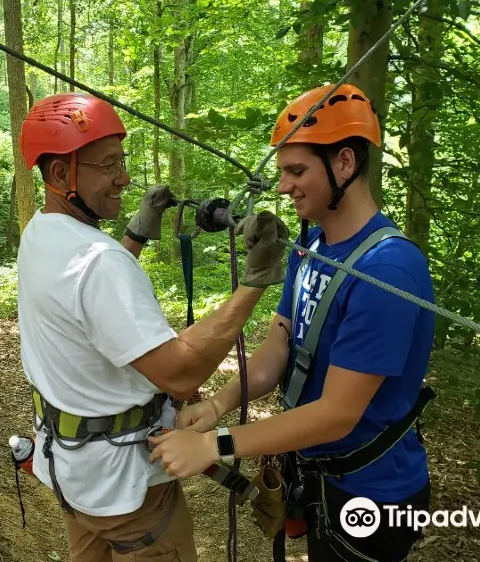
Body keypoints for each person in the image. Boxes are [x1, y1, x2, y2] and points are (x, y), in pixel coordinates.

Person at [148, 83, 436, 562]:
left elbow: (336, 413)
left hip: (374, 493)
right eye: (283, 171)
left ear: (344, 163)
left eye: (296, 170)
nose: (283, 186)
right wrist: (219, 404)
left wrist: (215, 446)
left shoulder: (386, 269)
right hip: (319, 477)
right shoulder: (315, 249)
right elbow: (280, 348)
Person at [16, 92, 288, 562]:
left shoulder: (41, 233)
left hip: (73, 472)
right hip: (128, 495)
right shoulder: (98, 263)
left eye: (122, 161)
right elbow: (181, 374)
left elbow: (88, 299)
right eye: (107, 166)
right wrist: (255, 283)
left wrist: (135, 237)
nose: (123, 177)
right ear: (60, 175)